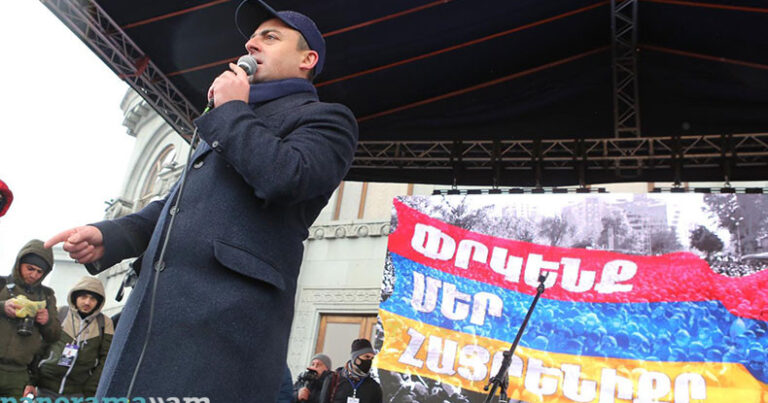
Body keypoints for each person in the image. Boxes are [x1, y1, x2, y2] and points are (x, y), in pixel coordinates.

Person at [45, 0, 358, 400]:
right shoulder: (232, 118)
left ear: (307, 59)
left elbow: (286, 177)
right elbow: (178, 205)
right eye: (252, 37)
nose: (252, 44)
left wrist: (232, 109)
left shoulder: (326, 119)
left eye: (270, 37)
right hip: (150, 324)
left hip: (223, 331)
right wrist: (112, 236)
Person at [28, 276, 114, 398]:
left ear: (99, 302)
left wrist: (90, 391)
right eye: (83, 297)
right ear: (75, 297)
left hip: (77, 393)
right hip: (44, 388)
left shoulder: (104, 323)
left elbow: (105, 360)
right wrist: (31, 381)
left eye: (93, 299)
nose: (87, 302)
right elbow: (38, 348)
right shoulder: (59, 313)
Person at [0, 240, 60, 398]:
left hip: (18, 375)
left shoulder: (47, 296)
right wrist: (3, 307)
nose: (34, 275)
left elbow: (54, 336)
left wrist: (47, 321)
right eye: (30, 268)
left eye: (39, 271)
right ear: (19, 263)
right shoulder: (1, 284)